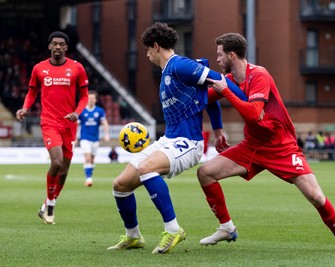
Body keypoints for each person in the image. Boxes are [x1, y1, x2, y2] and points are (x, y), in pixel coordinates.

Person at [198, 32, 335, 252]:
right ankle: (226, 227)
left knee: (315, 196)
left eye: (219, 55)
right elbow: (205, 99)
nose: (217, 59)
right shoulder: (230, 81)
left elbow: (253, 113)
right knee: (205, 173)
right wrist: (195, 92)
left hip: (281, 147)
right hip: (252, 146)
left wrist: (226, 92)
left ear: (231, 55)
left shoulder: (259, 75)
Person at [107, 23, 247, 254]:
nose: (147, 55)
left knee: (147, 169)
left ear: (156, 45)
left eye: (148, 50)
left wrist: (248, 103)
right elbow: (208, 95)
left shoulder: (180, 65)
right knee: (120, 185)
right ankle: (133, 236)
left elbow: (221, 84)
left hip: (188, 142)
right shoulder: (167, 72)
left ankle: (173, 230)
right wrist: (219, 130)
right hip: (168, 140)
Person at [15, 31, 89, 224]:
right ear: (49, 46)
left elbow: (84, 97)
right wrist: (25, 108)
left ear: (66, 47)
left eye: (61, 44)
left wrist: (77, 112)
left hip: (69, 124)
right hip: (49, 122)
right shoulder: (39, 69)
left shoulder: (77, 68)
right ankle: (50, 206)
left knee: (64, 171)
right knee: (56, 163)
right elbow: (32, 93)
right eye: (54, 44)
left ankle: (45, 205)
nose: (57, 47)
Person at [78, 90, 110, 187]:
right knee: (87, 158)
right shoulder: (82, 110)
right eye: (89, 98)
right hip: (85, 138)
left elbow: (105, 123)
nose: (91, 100)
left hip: (95, 138)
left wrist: (106, 134)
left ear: (95, 100)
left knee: (92, 159)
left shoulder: (99, 111)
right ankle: (88, 178)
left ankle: (90, 175)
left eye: (93, 98)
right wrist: (75, 138)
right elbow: (76, 125)